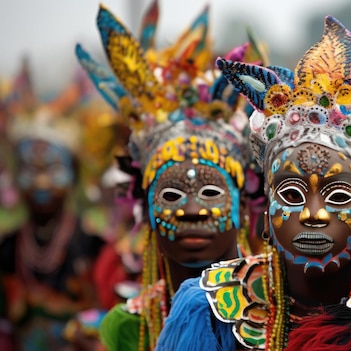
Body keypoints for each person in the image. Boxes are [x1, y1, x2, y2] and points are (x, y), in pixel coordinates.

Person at [156, 16, 351, 351]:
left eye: (339, 195)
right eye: (291, 194)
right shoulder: (210, 311)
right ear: (267, 208)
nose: (314, 215)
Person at [76, 2, 261, 350]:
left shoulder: (278, 314)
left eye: (210, 192)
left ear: (242, 201)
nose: (192, 210)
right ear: (145, 211)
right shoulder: (131, 326)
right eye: (172, 196)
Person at [0, 59, 105, 351]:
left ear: (73, 173)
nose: (42, 183)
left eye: (51, 169)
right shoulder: (7, 250)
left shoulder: (95, 246)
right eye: (31, 170)